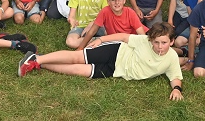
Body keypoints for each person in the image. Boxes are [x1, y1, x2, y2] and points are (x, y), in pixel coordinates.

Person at [18, 22, 184, 101]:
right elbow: (124, 37)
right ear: (151, 40)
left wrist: (176, 89)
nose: (159, 46)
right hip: (115, 52)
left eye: (164, 42)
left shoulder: (171, 58)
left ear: (171, 42)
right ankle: (36, 58)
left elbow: (175, 76)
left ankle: (40, 64)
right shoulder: (144, 40)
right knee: (77, 57)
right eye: (156, 42)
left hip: (116, 71)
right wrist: (101, 39)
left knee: (78, 71)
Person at [77, 0, 146, 49]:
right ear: (108, 1)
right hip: (117, 40)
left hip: (134, 38)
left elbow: (142, 34)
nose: (117, 2)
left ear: (124, 0)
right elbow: (92, 30)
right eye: (113, 0)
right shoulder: (105, 11)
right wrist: (80, 48)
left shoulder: (130, 12)